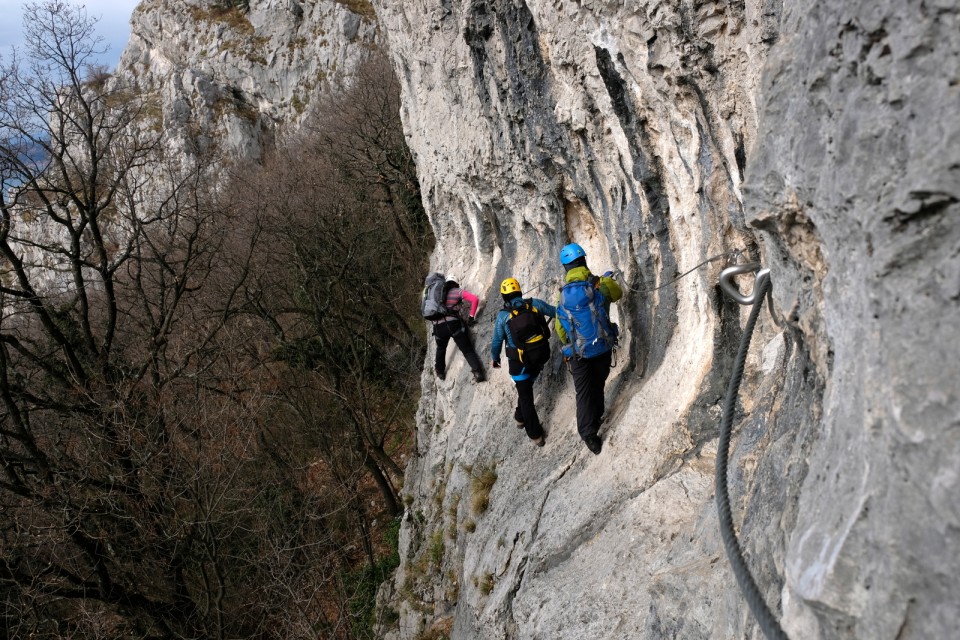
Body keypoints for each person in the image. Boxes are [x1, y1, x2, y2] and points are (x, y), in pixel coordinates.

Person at [555, 243, 623, 454]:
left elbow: (560, 328)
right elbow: (617, 293)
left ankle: (589, 434)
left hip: (579, 353)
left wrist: (574, 343)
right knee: (598, 382)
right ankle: (598, 415)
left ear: (566, 268)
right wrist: (606, 279)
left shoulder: (563, 297)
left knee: (583, 392)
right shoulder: (599, 285)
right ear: (584, 261)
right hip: (601, 347)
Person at [490, 278, 556, 447]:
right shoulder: (535, 304)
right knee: (525, 391)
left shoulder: (503, 317)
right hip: (538, 357)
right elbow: (556, 312)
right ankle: (519, 417)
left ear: (504, 297)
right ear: (519, 291)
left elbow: (497, 341)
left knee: (526, 397)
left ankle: (536, 435)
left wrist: (495, 358)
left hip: (519, 364)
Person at [426, 274, 485, 383]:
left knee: (441, 348)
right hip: (454, 325)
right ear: (455, 283)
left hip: (438, 327)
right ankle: (478, 372)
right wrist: (471, 316)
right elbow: (475, 299)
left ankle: (440, 372)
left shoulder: (435, 296)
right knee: (467, 350)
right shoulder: (457, 291)